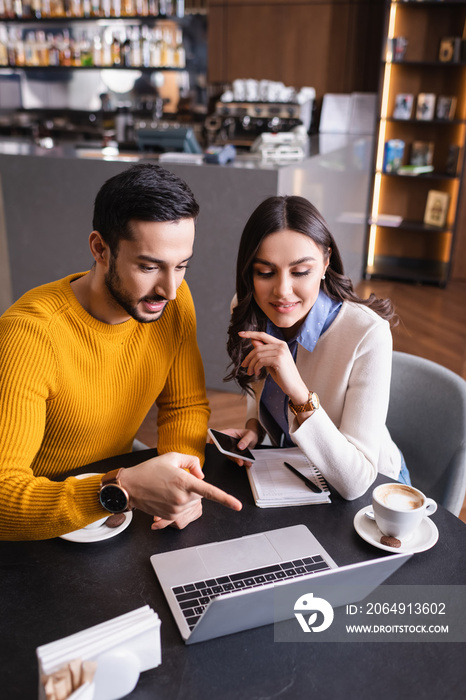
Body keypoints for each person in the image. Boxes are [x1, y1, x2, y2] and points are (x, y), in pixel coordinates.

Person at [0, 163, 241, 541]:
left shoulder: (173, 303)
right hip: (34, 525)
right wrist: (119, 488)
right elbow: (2, 498)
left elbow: (185, 405)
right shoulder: (29, 335)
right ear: (100, 249)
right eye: (149, 266)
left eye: (181, 266)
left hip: (110, 503)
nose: (170, 290)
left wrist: (182, 479)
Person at [223, 195, 410, 500]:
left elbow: (356, 482)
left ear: (325, 263)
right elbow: (256, 386)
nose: (282, 291)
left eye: (300, 272)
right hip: (297, 469)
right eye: (265, 272)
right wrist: (254, 426)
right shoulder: (249, 309)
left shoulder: (367, 333)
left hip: (372, 489)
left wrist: (297, 390)